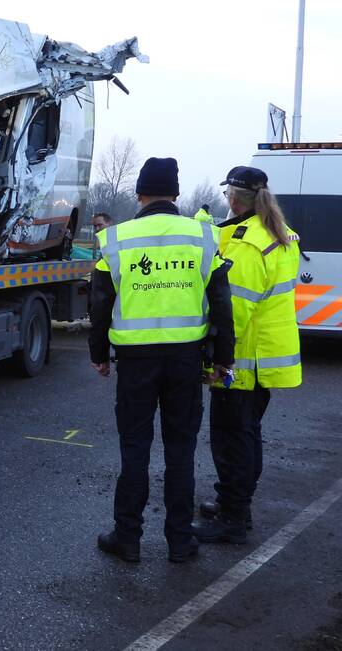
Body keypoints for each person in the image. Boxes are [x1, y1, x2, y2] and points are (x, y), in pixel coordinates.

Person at [89, 157, 235, 563]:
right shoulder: (203, 236)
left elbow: (100, 304)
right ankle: (180, 542)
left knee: (134, 449)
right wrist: (223, 357)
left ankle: (128, 538)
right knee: (181, 450)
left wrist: (99, 355)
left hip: (135, 362)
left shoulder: (115, 239)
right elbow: (221, 304)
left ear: (139, 195)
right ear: (175, 194)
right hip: (186, 360)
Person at [192, 166, 302, 544]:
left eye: (228, 196)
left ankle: (233, 519)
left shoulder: (248, 243)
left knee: (231, 439)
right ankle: (234, 505)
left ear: (235, 199)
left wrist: (216, 361)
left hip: (242, 360)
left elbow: (234, 311)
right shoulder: (276, 234)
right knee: (246, 434)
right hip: (263, 358)